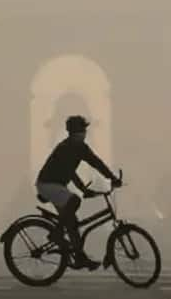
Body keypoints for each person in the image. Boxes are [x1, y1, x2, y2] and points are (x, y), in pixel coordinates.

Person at [35, 115, 122, 271]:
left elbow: (70, 172)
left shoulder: (71, 146)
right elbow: (96, 163)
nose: (85, 133)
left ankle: (80, 258)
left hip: (55, 186)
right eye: (83, 130)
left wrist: (84, 189)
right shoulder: (73, 147)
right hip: (48, 184)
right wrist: (112, 178)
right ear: (77, 132)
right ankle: (56, 234)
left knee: (72, 224)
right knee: (74, 201)